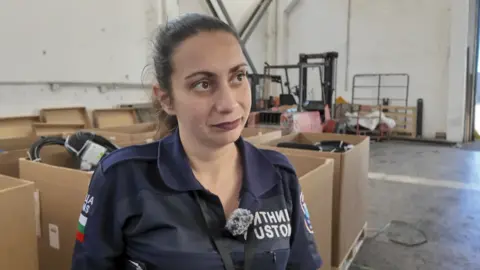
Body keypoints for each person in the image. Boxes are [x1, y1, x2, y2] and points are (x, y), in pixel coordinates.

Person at [71, 13, 322, 270]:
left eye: (238, 77)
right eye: (203, 84)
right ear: (166, 99)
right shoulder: (123, 178)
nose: (229, 104)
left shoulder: (278, 176)